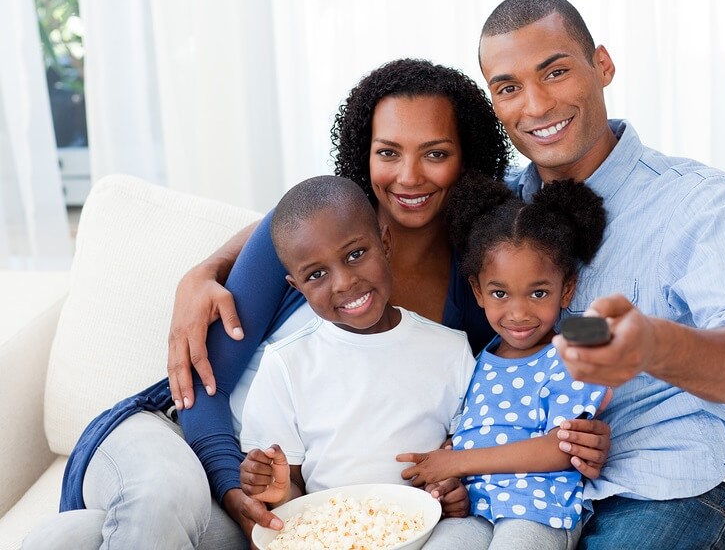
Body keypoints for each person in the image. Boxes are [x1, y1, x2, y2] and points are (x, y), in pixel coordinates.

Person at [27, 59, 608, 549]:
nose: (409, 175)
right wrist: (201, 272)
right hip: (187, 441)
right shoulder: (317, 231)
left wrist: (589, 419)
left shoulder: (479, 272)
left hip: (292, 498)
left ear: (467, 158)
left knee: (75, 537)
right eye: (388, 152)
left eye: (435, 153)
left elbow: (533, 333)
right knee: (161, 496)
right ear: (363, 153)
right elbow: (205, 389)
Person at [476, 0, 725, 549]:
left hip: (685, 492)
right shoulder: (496, 215)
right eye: (508, 88)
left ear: (601, 65)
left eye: (554, 72)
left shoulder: (696, 201)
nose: (534, 106)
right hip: (545, 502)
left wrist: (652, 344)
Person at [396, 172, 609, 550]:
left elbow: (562, 448)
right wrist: (447, 479)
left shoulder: (573, 354)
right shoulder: (477, 360)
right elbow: (461, 436)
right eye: (500, 293)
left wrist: (458, 463)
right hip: (474, 508)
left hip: (537, 509)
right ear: (478, 291)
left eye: (538, 292)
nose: (519, 313)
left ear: (567, 290)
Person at [238, 175, 475, 510]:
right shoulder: (285, 365)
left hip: (427, 531)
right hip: (330, 535)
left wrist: (453, 489)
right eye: (316, 275)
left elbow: (466, 462)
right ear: (296, 287)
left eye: (355, 254)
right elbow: (288, 496)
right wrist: (276, 492)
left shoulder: (451, 350)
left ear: (386, 242)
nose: (344, 282)